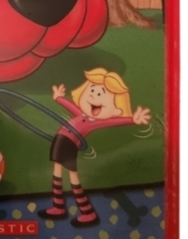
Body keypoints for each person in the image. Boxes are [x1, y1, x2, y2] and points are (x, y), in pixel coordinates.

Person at [38, 67, 151, 227]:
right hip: (60, 140)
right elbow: (70, 106)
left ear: (117, 109)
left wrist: (133, 119)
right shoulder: (80, 113)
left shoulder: (96, 122)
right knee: (56, 172)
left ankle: (88, 212)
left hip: (70, 144)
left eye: (100, 94)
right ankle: (58, 207)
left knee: (73, 177)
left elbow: (112, 122)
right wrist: (58, 98)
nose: (93, 95)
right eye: (91, 90)